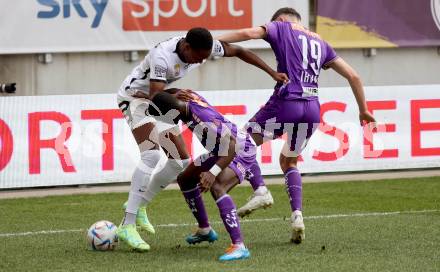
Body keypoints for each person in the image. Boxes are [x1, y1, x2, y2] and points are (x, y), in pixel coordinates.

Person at [115, 27, 288, 251]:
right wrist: (173, 95)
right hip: (136, 99)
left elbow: (238, 51)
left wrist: (272, 73)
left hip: (163, 100)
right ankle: (127, 224)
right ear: (186, 47)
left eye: (205, 57)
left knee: (180, 162)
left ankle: (140, 206)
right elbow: (155, 94)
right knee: (151, 155)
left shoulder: (201, 49)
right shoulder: (162, 57)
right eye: (198, 57)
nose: (202, 61)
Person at [216, 7, 376, 243]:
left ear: (280, 19)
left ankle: (260, 190)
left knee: (242, 142)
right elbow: (354, 76)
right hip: (311, 110)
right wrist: (363, 109)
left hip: (286, 103)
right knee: (289, 161)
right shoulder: (321, 41)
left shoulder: (280, 27)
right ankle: (297, 216)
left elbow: (247, 33)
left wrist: (213, 40)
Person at [148, 88, 263, 261]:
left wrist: (212, 172)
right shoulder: (184, 99)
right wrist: (173, 94)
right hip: (220, 150)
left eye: (166, 118)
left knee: (217, 186)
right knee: (185, 179)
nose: (169, 124)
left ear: (173, 111)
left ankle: (239, 246)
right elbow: (166, 94)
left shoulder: (204, 120)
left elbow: (231, 146)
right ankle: (205, 230)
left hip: (240, 150)